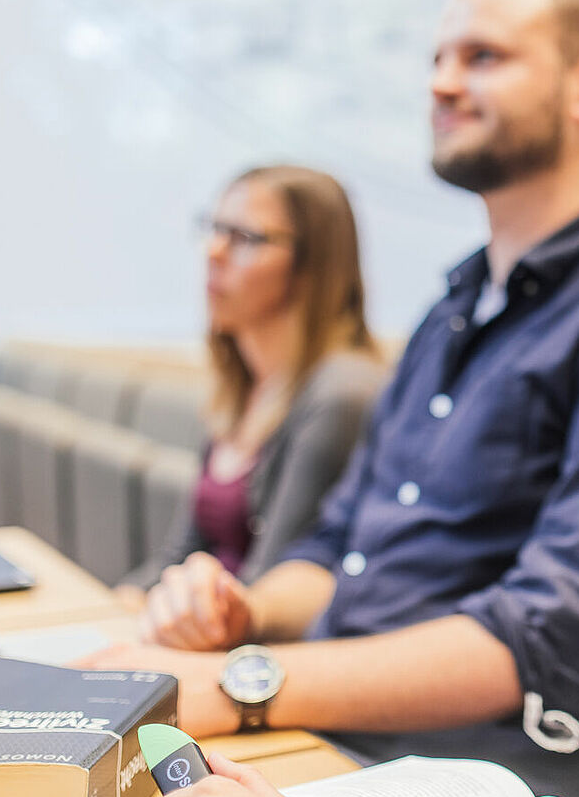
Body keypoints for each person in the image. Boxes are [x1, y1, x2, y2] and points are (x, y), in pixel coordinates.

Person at [86, 0, 579, 797]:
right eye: (439, 58)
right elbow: (337, 552)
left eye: (483, 57)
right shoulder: (453, 305)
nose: (442, 82)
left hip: (485, 774)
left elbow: (552, 636)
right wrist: (239, 611)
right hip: (334, 728)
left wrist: (242, 680)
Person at [114, 165, 388, 611]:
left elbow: (269, 588)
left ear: (312, 265)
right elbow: (180, 557)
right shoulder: (244, 386)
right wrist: (116, 605)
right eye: (214, 229)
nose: (214, 251)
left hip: (251, 656)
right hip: (201, 630)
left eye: (244, 238)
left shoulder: (341, 393)